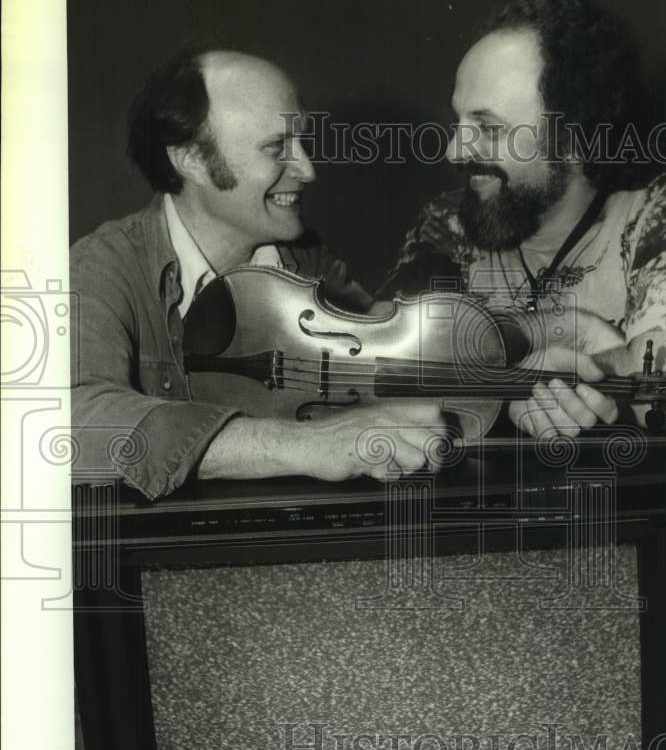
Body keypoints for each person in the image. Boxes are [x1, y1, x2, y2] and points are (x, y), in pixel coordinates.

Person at [70, 46, 446, 500]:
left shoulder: (309, 261)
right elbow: (73, 420)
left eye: (302, 142)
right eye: (276, 147)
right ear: (190, 158)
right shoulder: (101, 268)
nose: (307, 169)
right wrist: (298, 445)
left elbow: (393, 367)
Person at [383, 0, 666, 438]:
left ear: (573, 137)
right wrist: (556, 333)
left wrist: (498, 374)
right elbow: (377, 358)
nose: (454, 150)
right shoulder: (449, 220)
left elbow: (665, 381)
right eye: (458, 121)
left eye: (488, 128)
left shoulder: (665, 206)